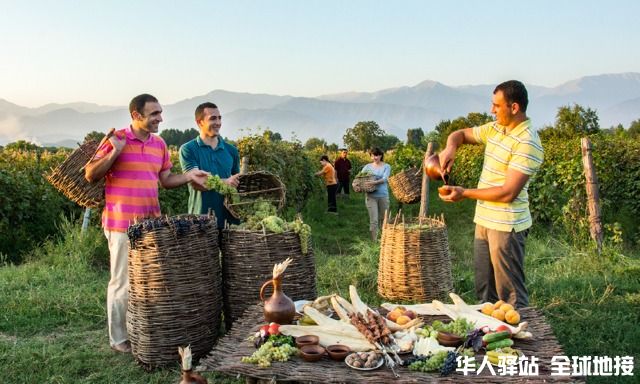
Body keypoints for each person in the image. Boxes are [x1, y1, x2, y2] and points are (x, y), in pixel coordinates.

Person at [85, 94, 209, 353]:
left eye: (160, 113)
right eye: (154, 114)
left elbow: (165, 180)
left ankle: (143, 329)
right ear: (135, 115)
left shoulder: (160, 144)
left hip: (151, 226)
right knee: (122, 282)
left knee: (149, 281)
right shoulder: (116, 139)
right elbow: (90, 174)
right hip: (121, 225)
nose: (160, 118)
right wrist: (115, 152)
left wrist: (188, 176)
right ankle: (118, 338)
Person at [437, 80, 544, 309]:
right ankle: (491, 338)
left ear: (514, 108)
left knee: (511, 295)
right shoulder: (496, 128)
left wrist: (464, 193)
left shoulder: (527, 142)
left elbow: (508, 193)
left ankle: (523, 338)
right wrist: (450, 147)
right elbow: (460, 134)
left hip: (507, 225)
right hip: (484, 220)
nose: (492, 110)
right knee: (485, 290)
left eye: (497, 105)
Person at [179, 102, 240, 228]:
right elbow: (197, 183)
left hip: (229, 222)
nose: (218, 122)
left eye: (219, 118)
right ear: (199, 122)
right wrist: (225, 182)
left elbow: (236, 184)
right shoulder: (188, 149)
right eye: (213, 118)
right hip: (200, 222)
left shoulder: (231, 151)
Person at [361, 147, 391, 241]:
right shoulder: (367, 167)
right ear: (370, 156)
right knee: (374, 220)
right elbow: (361, 178)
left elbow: (385, 179)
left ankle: (385, 240)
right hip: (371, 197)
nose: (375, 157)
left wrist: (373, 182)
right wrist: (359, 185)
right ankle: (374, 241)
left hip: (383, 196)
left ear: (381, 156)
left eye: (377, 155)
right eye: (373, 155)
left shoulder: (387, 166)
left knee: (384, 219)